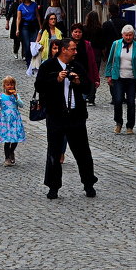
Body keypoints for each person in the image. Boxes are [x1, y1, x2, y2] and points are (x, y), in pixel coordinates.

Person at [36, 39, 97, 199]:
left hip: (76, 116)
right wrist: (56, 79)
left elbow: (88, 87)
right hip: (56, 115)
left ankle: (89, 183)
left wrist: (78, 81)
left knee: (83, 152)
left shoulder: (77, 66)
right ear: (63, 50)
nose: (75, 52)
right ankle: (53, 186)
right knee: (54, 153)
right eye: (73, 49)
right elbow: (39, 86)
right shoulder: (48, 66)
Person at [102, 25, 136, 134]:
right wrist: (108, 75)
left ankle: (130, 126)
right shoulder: (116, 44)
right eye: (126, 35)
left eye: (130, 35)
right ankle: (118, 123)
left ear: (133, 35)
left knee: (131, 102)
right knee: (118, 100)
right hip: (118, 77)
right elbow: (110, 60)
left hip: (131, 78)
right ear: (122, 35)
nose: (128, 37)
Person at [0, 76, 25, 166]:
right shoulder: (1, 96)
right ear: (4, 86)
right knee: (7, 140)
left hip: (15, 120)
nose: (10, 86)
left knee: (15, 139)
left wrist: (16, 97)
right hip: (5, 121)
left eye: (12, 84)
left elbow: (21, 105)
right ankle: (7, 158)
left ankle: (11, 151)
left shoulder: (16, 96)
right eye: (8, 85)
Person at [68, 23, 101, 105]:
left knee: (81, 100)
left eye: (79, 32)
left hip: (84, 76)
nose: (77, 34)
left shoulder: (87, 45)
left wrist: (96, 78)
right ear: (72, 32)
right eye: (75, 32)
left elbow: (92, 62)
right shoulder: (66, 43)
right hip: (70, 75)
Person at [15, 0, 39, 65]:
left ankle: (34, 60)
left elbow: (37, 15)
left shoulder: (34, 5)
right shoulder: (21, 6)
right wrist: (17, 29)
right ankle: (28, 60)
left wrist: (40, 25)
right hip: (25, 26)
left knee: (34, 43)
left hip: (34, 25)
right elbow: (18, 18)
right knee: (27, 44)